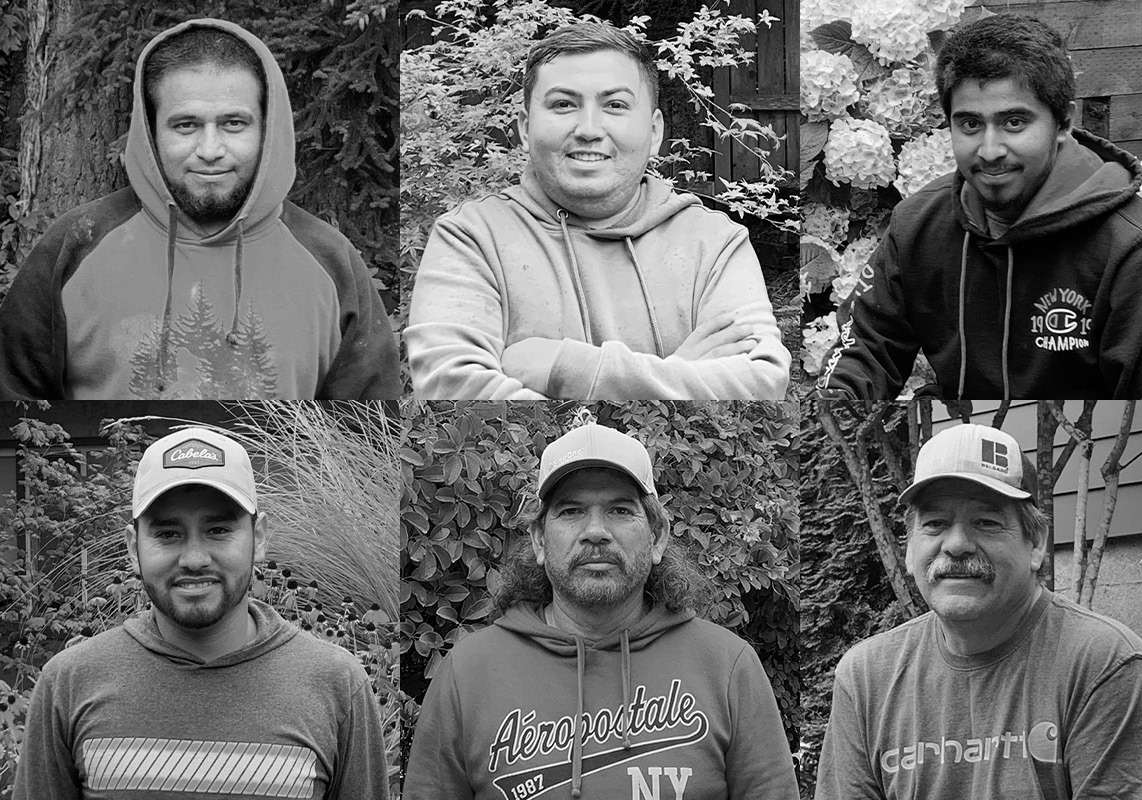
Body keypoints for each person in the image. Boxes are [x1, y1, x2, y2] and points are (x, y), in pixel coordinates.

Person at [0, 19, 397, 400]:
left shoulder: (331, 262)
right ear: (151, 131)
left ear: (267, 128)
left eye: (234, 124)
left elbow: (367, 430)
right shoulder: (76, 245)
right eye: (186, 125)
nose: (210, 150)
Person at [405, 423, 797, 800]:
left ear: (657, 537)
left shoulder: (728, 667)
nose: (596, 530)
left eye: (620, 510)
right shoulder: (467, 674)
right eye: (572, 511)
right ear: (540, 540)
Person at [407, 23, 788, 400]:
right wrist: (680, 375)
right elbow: (449, 385)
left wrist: (563, 367)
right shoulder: (470, 237)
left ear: (655, 132)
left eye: (615, 105)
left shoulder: (714, 242)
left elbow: (763, 381)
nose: (589, 128)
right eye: (563, 104)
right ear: (524, 128)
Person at [821, 14, 1142, 401]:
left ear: (1064, 121)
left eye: (1014, 122)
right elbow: (863, 352)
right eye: (969, 125)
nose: (990, 150)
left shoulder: (1135, 248)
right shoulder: (917, 224)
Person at [16, 427, 388, 799]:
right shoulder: (68, 683)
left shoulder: (337, 685)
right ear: (133, 548)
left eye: (219, 529)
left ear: (258, 538)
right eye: (168, 534)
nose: (194, 559)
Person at [816, 424, 1142, 799]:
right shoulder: (865, 678)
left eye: (986, 523)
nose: (956, 545)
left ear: (1035, 543)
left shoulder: (1104, 665)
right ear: (910, 549)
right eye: (935, 524)